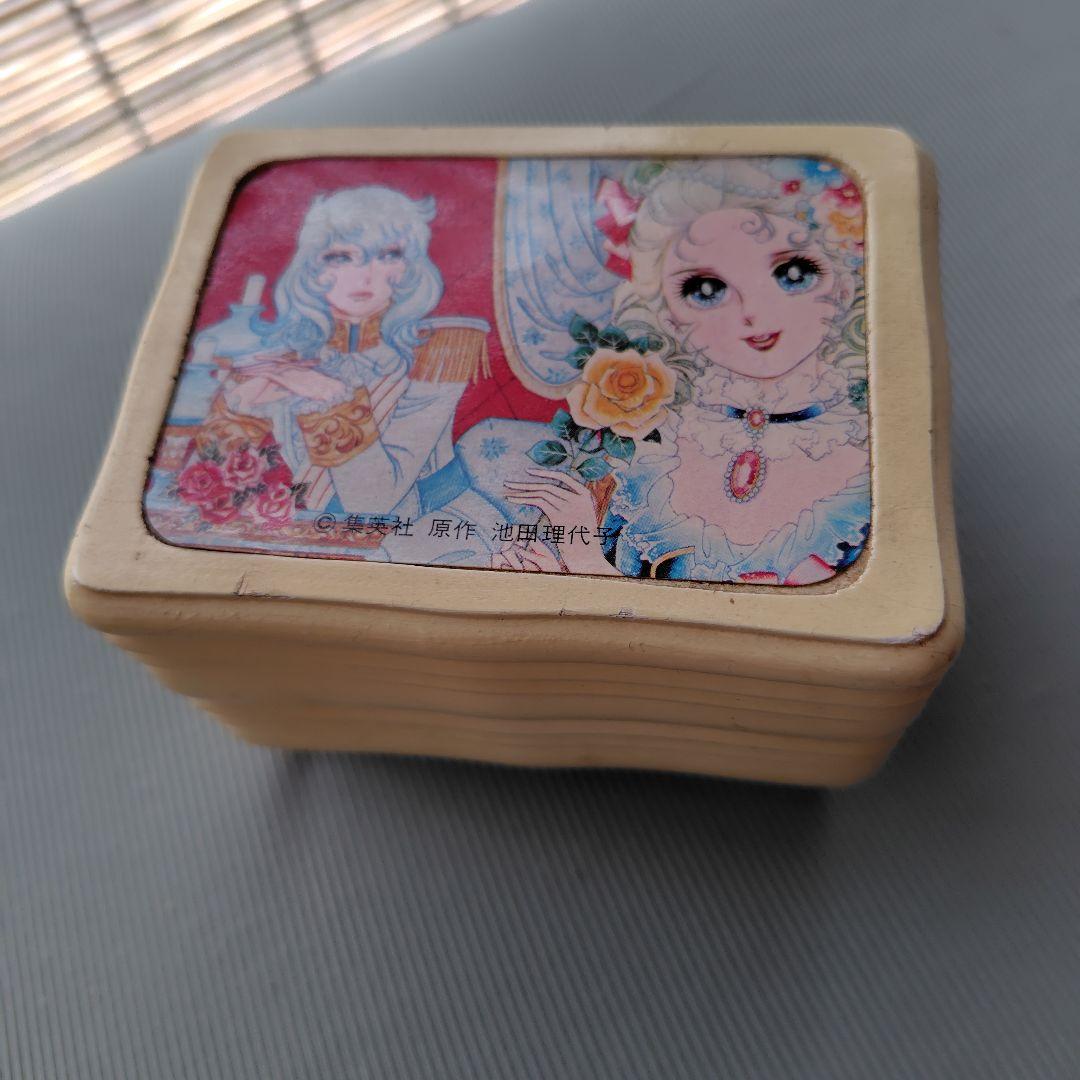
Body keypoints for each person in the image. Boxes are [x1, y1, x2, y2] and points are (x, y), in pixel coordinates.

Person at [496, 158, 870, 584]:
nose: (753, 311)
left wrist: (587, 566)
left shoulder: (869, 463)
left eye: (793, 273)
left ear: (845, 282)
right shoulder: (651, 450)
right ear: (667, 314)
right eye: (706, 290)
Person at [181, 184, 500, 566]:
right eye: (341, 257)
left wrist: (329, 397)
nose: (363, 275)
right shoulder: (284, 361)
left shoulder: (440, 352)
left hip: (428, 536)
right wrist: (238, 409)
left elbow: (374, 500)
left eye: (387, 255)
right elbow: (199, 489)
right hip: (310, 543)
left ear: (407, 269)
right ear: (314, 270)